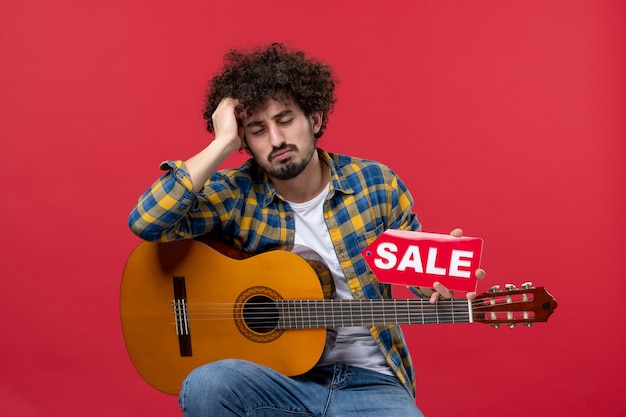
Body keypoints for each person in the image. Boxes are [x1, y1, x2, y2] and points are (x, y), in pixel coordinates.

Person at [128, 43, 484, 417]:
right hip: (276, 380)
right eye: (257, 130)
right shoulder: (235, 194)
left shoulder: (376, 184)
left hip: (371, 381)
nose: (277, 140)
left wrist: (435, 284)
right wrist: (220, 143)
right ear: (244, 141)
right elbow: (146, 221)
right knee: (207, 384)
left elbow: (420, 277)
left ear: (313, 119)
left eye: (285, 120)